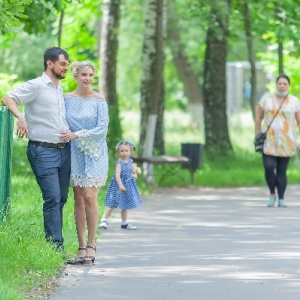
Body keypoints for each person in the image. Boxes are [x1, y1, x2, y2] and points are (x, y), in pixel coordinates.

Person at [1, 47, 71, 251]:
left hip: (63, 151)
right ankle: (55, 248)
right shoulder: (36, 85)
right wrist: (21, 117)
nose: (65, 68)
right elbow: (8, 98)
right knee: (53, 197)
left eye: (67, 64)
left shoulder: (58, 88)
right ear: (50, 63)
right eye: (62, 64)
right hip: (43, 151)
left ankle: (55, 242)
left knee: (62, 198)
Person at [61, 61, 109, 264]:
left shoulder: (99, 100)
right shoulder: (66, 99)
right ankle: (81, 246)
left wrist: (77, 134)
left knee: (90, 196)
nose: (88, 78)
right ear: (75, 76)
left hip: (95, 152)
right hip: (73, 152)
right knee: (78, 197)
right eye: (84, 75)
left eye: (91, 75)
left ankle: (92, 244)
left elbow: (102, 129)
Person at [254, 74, 300, 208]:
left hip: (287, 141)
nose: (282, 86)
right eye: (280, 83)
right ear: (276, 84)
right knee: (269, 167)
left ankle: (281, 198)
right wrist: (257, 134)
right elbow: (258, 117)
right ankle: (272, 193)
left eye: (285, 84)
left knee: (282, 170)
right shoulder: (266, 99)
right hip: (269, 140)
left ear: (288, 85)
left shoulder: (294, 101)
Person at [99, 141, 142, 230]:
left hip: (128, 185)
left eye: (126, 151)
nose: (124, 153)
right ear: (118, 152)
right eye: (122, 151)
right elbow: (117, 176)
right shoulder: (119, 163)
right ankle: (104, 220)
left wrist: (134, 175)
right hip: (118, 186)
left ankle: (124, 222)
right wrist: (120, 185)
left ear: (131, 152)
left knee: (125, 204)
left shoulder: (130, 161)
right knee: (112, 202)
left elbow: (131, 173)